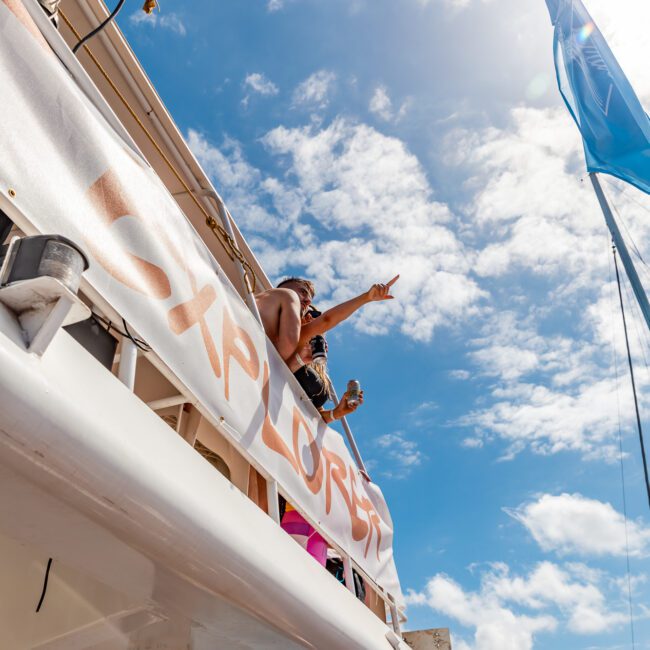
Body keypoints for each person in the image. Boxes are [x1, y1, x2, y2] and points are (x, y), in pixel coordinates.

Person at [255, 275, 399, 372]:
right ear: (284, 288)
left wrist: (300, 359)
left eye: (310, 298)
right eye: (303, 292)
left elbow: (326, 321)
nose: (308, 301)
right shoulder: (286, 294)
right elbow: (325, 320)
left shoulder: (284, 331)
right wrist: (366, 297)